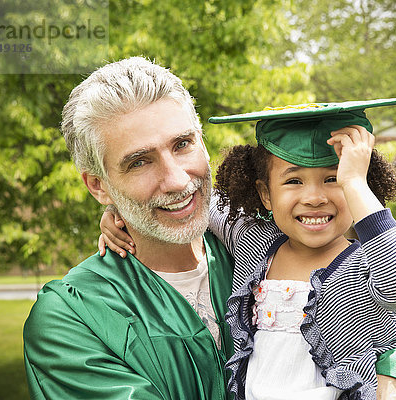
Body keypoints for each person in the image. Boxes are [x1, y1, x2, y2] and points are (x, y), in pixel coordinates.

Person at [100, 96, 396, 399]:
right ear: (265, 194)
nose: (314, 197)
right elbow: (188, 199)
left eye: (333, 179)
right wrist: (121, 209)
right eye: (293, 180)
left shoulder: (364, 268)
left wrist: (355, 181)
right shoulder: (255, 242)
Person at [23, 57, 235, 399]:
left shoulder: (262, 253)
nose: (177, 180)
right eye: (139, 162)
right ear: (98, 186)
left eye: (182, 144)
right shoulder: (74, 317)